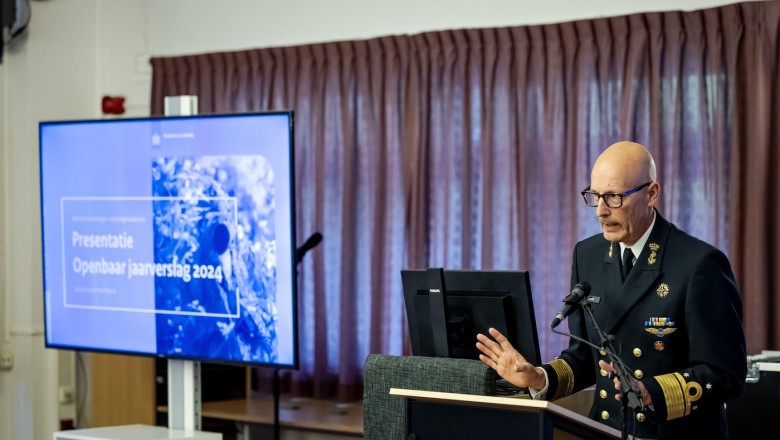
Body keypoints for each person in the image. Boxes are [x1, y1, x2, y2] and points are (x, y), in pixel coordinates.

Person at [476, 141, 746, 439]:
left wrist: (651, 392)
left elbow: (725, 374)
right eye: (595, 196)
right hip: (606, 431)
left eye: (614, 197)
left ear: (651, 193)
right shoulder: (587, 255)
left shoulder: (699, 263)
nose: (601, 211)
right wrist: (538, 377)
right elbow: (583, 356)